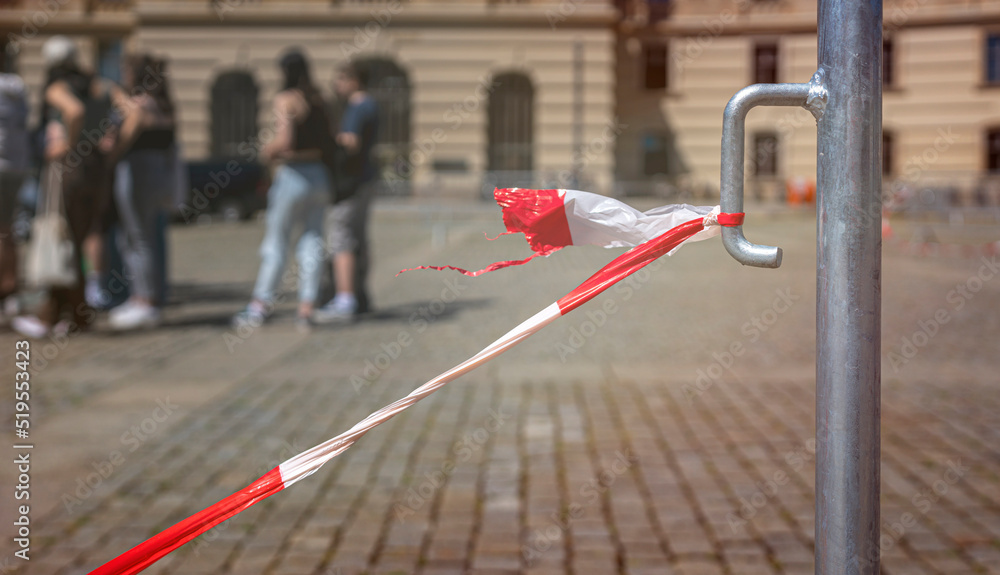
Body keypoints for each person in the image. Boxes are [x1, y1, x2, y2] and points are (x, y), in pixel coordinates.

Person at [12, 36, 116, 339]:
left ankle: (52, 315)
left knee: (62, 238)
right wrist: (113, 151)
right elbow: (131, 112)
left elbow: (74, 112)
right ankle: (74, 313)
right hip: (96, 170)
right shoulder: (99, 86)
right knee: (77, 238)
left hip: (68, 171)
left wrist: (69, 145)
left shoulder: (58, 88)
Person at [233, 49, 332, 330]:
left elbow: (285, 141)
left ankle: (259, 305)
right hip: (319, 175)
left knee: (277, 242)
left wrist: (265, 152)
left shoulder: (286, 99)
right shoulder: (319, 99)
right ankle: (306, 308)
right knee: (313, 241)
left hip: (293, 175)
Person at [104, 54, 177, 331]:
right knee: (146, 238)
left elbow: (126, 136)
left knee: (137, 239)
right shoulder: (164, 104)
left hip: (138, 173)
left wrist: (110, 156)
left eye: (126, 69)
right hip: (157, 174)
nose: (123, 74)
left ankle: (144, 300)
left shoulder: (141, 104)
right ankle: (148, 297)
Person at [313, 61, 378, 323]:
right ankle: (360, 295)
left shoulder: (357, 106)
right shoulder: (371, 104)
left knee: (341, 238)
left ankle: (345, 298)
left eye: (341, 79)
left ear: (354, 80)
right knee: (359, 238)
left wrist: (327, 141)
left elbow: (350, 142)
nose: (337, 85)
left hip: (350, 183)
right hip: (364, 180)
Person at [0, 49, 30, 320]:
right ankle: (12, 293)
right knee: (10, 231)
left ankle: (7, 292)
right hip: (16, 167)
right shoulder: (18, 88)